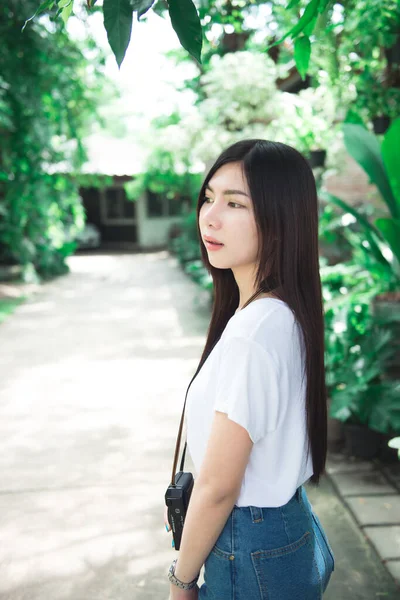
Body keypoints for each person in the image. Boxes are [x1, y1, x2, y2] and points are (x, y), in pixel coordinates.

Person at [164, 139, 335, 599]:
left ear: (280, 220)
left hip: (249, 543)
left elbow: (219, 486)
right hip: (285, 525)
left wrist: (181, 580)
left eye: (235, 203)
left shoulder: (255, 332)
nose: (210, 216)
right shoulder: (279, 313)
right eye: (209, 197)